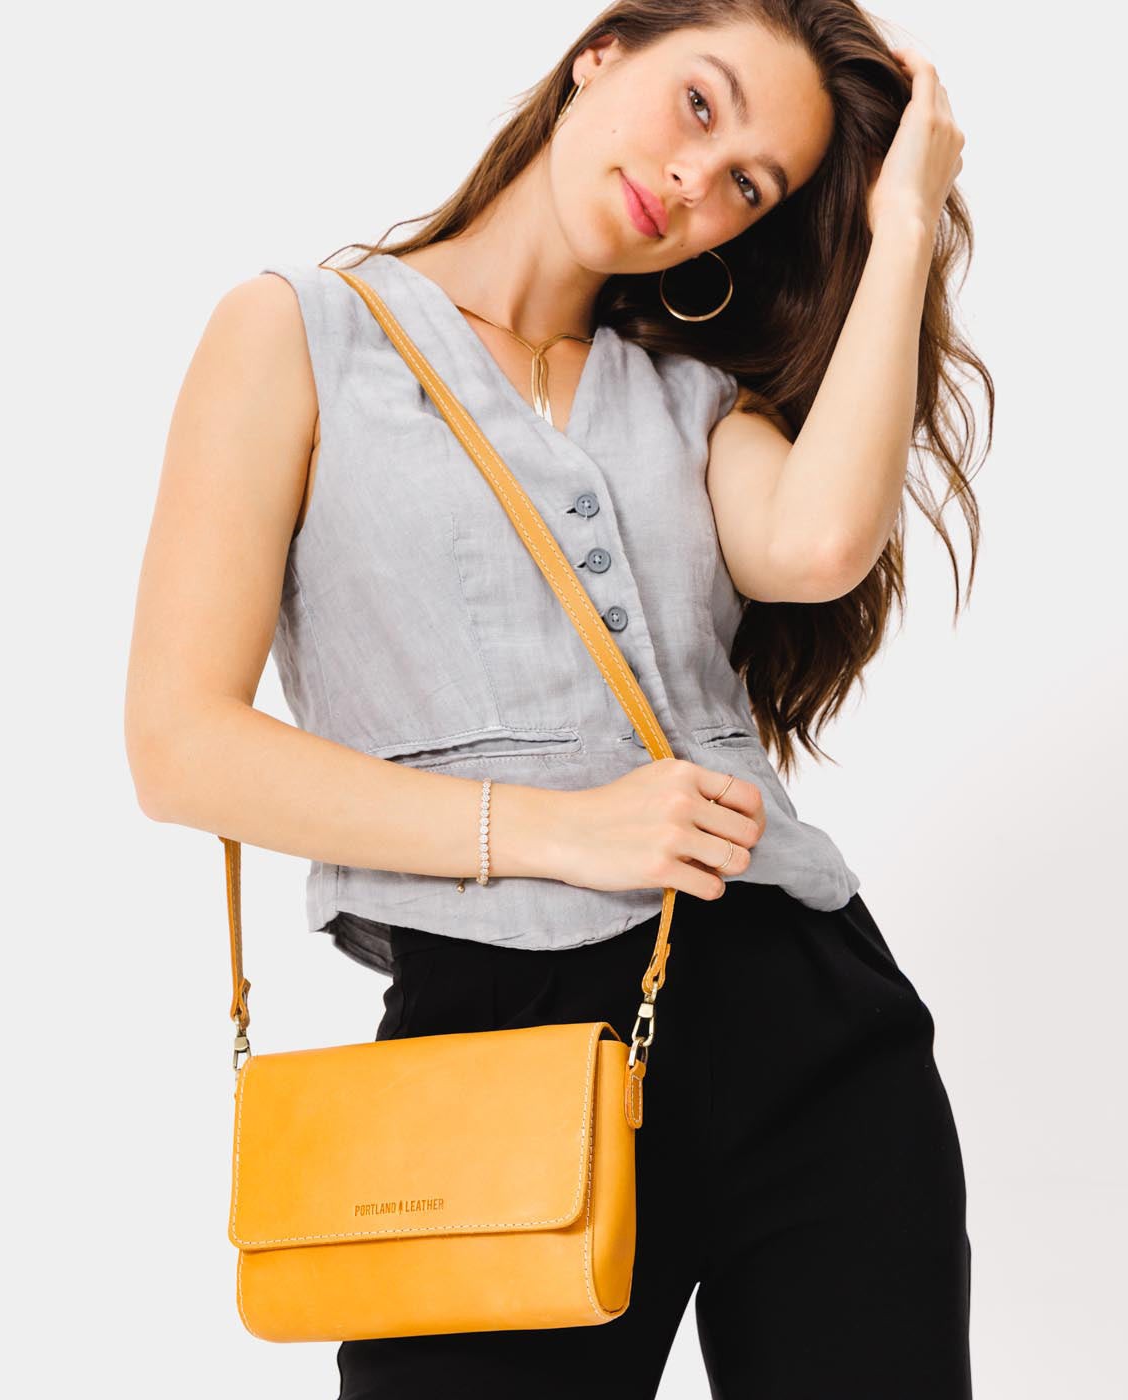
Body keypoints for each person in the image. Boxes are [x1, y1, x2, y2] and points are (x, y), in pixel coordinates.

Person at [126, 2, 989, 1395]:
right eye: (699, 104)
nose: (695, 181)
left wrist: (902, 226)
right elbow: (178, 747)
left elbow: (823, 542)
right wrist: (560, 830)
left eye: (750, 184)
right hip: (488, 1075)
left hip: (810, 1036)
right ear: (604, 52)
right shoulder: (298, 334)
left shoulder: (695, 398)